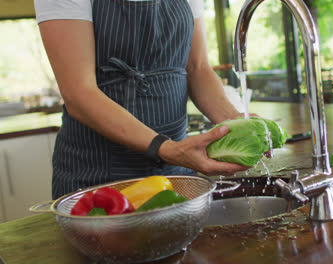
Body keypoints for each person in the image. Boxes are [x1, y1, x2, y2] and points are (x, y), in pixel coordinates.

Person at [34, 0, 250, 199]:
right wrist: (166, 149)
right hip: (98, 174)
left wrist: (237, 123)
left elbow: (198, 68)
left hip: (177, 170)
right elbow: (79, 92)